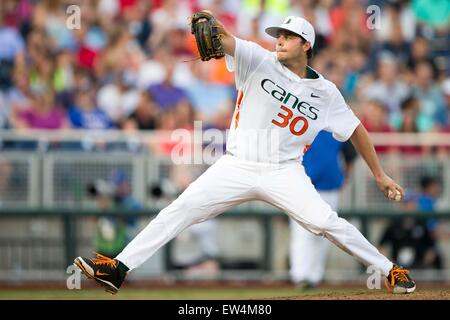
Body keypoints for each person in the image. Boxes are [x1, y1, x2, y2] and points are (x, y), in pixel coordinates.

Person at [74, 14, 416, 295]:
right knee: (180, 209)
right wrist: (213, 25)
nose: (279, 40)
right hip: (237, 164)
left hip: (284, 171)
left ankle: (390, 271)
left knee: (325, 222)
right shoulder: (258, 58)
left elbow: (356, 129)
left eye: (288, 36)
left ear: (306, 44)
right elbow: (224, 38)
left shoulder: (326, 93)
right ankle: (119, 268)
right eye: (277, 34)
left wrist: (380, 174)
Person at [289, 130, 356, 289]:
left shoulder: (336, 129)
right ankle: (300, 275)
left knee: (324, 233)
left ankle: (314, 276)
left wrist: (345, 177)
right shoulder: (302, 125)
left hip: (329, 188)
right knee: (301, 232)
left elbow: (351, 155)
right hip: (303, 186)